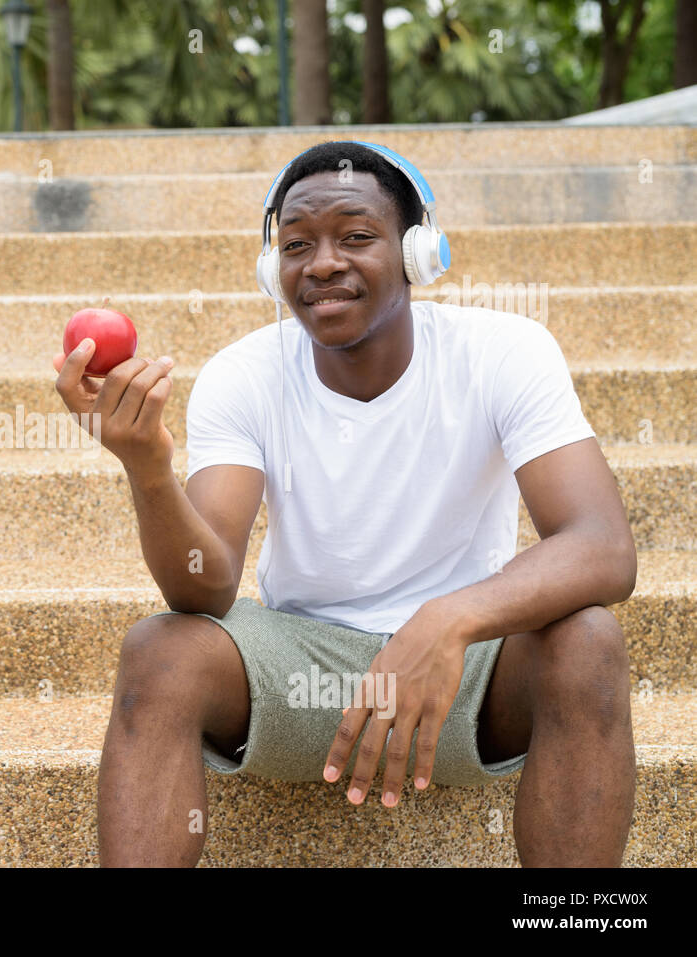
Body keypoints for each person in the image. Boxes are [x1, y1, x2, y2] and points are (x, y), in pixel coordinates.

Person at [51, 140, 637, 867]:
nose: (322, 262)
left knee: (589, 642)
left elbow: (603, 546)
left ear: (417, 253)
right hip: (300, 670)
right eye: (297, 244)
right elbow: (202, 585)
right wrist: (148, 467)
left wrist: (447, 620)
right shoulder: (246, 374)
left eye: (356, 236)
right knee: (159, 650)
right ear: (274, 270)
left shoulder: (506, 352)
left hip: (465, 678)